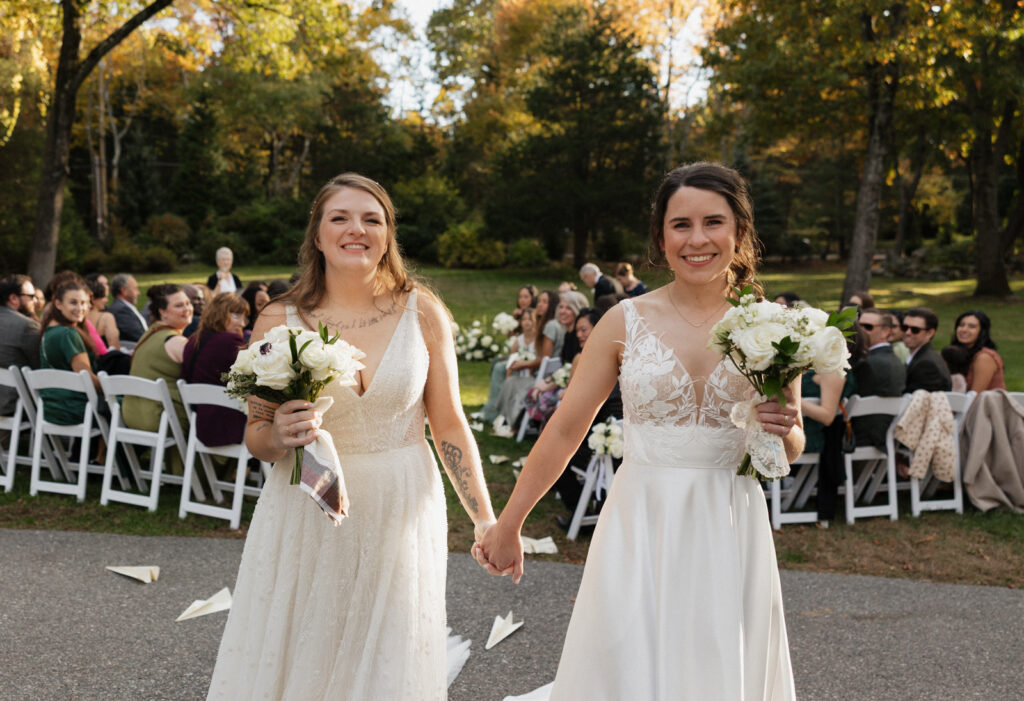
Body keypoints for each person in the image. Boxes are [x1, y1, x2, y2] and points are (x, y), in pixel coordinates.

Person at [476, 162, 799, 701]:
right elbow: (563, 431)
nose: (698, 239)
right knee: (627, 662)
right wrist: (509, 524)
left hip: (729, 520)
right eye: (681, 225)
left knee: (716, 660)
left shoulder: (772, 326)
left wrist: (782, 428)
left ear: (739, 232)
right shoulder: (624, 321)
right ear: (660, 236)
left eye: (713, 222)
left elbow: (789, 446)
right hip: (640, 520)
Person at [206, 173, 497, 701]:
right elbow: (256, 436)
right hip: (308, 506)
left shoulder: (422, 310)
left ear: (388, 235)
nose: (356, 229)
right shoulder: (280, 318)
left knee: (388, 648)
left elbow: (450, 422)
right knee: (307, 647)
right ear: (317, 236)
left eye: (372, 219)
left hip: (402, 503)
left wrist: (484, 519)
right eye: (339, 217)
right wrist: (279, 433)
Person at [122, 284, 193, 464]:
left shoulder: (148, 334)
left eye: (187, 303)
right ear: (163, 312)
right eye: (179, 305)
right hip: (158, 418)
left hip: (131, 414)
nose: (187, 309)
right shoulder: (177, 342)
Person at [181, 293, 250, 447]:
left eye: (244, 318)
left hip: (200, 421)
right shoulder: (230, 341)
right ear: (220, 313)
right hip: (226, 424)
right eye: (237, 316)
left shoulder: (193, 340)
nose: (242, 324)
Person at [38, 279, 102, 425]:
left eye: (84, 303)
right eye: (73, 302)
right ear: (58, 304)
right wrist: (111, 390)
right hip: (74, 409)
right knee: (128, 406)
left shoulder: (48, 330)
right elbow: (87, 378)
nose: (80, 308)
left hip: (51, 407)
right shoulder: (68, 334)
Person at [851, 307, 906, 447]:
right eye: (859, 325)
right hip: (884, 435)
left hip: (863, 436)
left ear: (886, 331)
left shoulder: (867, 363)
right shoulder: (896, 360)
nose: (861, 330)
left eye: (868, 327)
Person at [0, 274, 40, 416]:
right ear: (13, 298)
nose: (35, 301)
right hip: (12, 403)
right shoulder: (26, 325)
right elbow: (40, 365)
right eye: (31, 296)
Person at [492, 308, 540, 426]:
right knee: (509, 383)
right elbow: (511, 363)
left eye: (530, 319)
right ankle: (505, 418)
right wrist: (508, 377)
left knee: (515, 387)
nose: (527, 322)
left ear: (535, 321)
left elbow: (540, 361)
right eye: (524, 319)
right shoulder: (518, 341)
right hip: (520, 376)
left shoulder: (539, 340)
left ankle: (510, 421)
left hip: (534, 377)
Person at [950, 310, 1005, 392]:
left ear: (983, 332)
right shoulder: (956, 353)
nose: (964, 329)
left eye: (972, 326)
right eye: (961, 325)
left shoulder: (984, 357)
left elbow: (975, 396)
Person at [902, 307, 952, 393]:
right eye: (904, 327)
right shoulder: (924, 356)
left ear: (930, 333)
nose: (908, 332)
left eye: (915, 330)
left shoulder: (926, 365)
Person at [108, 274, 147, 346]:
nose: (139, 293)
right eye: (135, 288)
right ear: (124, 290)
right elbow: (139, 336)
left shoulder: (124, 307)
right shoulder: (120, 310)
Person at [84, 276, 120, 351]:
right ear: (93, 298)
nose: (106, 300)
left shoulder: (76, 318)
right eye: (104, 296)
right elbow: (115, 347)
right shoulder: (106, 318)